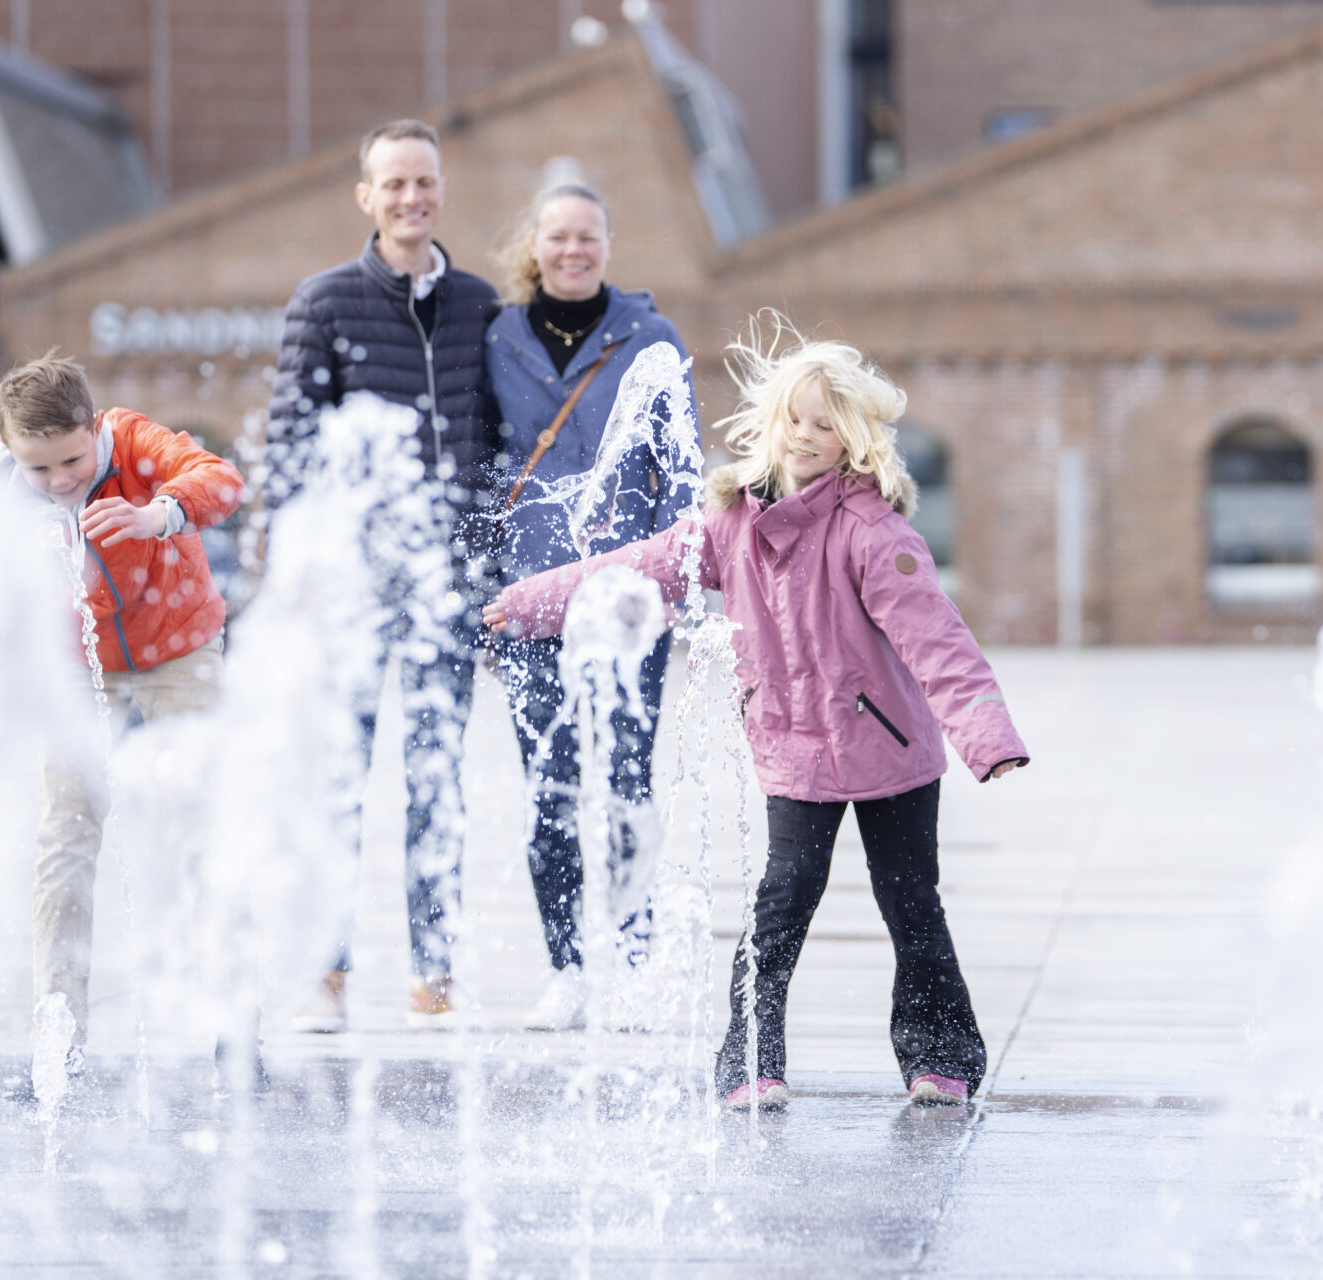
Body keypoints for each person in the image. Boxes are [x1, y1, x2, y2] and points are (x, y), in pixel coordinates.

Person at [485, 321, 1029, 1107]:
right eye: (795, 419)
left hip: (890, 751)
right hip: (796, 748)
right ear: (770, 421)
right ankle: (749, 1062)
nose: (806, 437)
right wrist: (535, 602)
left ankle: (939, 1055)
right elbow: (637, 567)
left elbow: (939, 642)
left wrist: (988, 738)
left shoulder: (875, 534)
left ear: (852, 443)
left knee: (911, 904)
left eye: (826, 426)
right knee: (781, 905)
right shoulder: (729, 522)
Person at [264, 119, 501, 1030]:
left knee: (436, 782)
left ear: (441, 191)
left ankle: (433, 975)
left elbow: (494, 444)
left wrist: (487, 564)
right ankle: (324, 974)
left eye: (424, 182)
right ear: (365, 196)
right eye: (393, 183)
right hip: (350, 596)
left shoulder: (481, 305)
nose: (411, 198)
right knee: (338, 782)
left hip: (446, 590)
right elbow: (289, 446)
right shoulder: (323, 303)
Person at [0, 351, 245, 1070]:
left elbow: (223, 480)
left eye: (69, 461)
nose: (59, 482)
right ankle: (58, 1039)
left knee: (200, 829)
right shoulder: (1, 483)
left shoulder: (130, 441)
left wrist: (159, 513)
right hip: (77, 669)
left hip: (178, 652)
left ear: (90, 427)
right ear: (11, 451)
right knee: (64, 839)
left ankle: (232, 1025)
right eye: (40, 470)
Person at [486, 183, 698, 1030]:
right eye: (559, 237)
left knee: (625, 782)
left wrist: (678, 575)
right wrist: (482, 587)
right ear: (535, 245)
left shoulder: (651, 337)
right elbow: (482, 457)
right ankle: (567, 969)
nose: (574, 250)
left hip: (625, 598)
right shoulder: (497, 337)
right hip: (530, 599)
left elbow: (681, 465)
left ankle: (638, 963)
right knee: (550, 788)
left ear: (609, 244)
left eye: (589, 237)